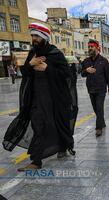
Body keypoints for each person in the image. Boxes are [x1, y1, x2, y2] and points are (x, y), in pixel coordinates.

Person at [3, 22, 77, 170]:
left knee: (58, 125)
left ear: (44, 37)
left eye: (37, 36)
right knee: (39, 127)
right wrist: (30, 64)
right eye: (32, 36)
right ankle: (36, 161)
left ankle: (63, 146)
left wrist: (47, 68)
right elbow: (24, 75)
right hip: (36, 100)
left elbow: (67, 76)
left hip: (54, 100)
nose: (34, 39)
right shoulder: (32, 54)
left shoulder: (55, 54)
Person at [81, 39, 109, 137]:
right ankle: (102, 122)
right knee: (96, 109)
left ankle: (98, 128)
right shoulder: (86, 61)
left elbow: (108, 75)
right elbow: (82, 74)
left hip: (101, 89)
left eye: (92, 46)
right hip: (91, 88)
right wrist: (86, 70)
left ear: (97, 48)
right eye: (89, 47)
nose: (90, 48)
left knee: (99, 107)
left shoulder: (104, 61)